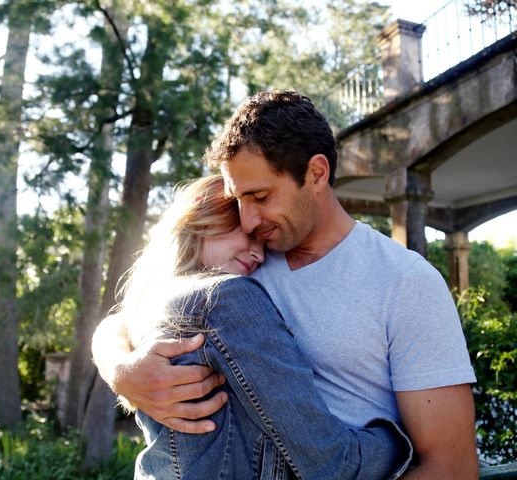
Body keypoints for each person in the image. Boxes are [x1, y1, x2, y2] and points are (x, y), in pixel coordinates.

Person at [92, 91, 478, 478]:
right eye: (238, 200)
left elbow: (451, 467)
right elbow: (125, 320)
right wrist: (121, 370)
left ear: (316, 174)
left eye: (259, 197)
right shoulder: (238, 262)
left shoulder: (405, 282)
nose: (246, 221)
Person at [109, 174, 412, 479]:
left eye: (262, 240)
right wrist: (401, 438)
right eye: (248, 234)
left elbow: (114, 325)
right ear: (204, 216)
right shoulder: (227, 297)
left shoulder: (148, 303)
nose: (260, 254)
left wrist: (118, 368)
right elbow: (333, 464)